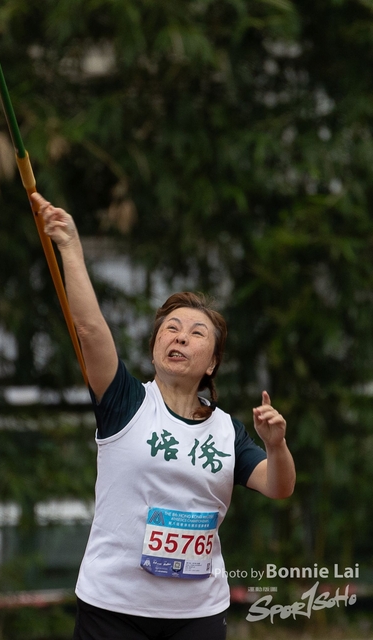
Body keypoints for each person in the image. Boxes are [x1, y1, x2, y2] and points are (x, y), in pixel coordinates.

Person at [31, 192, 296, 640]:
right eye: (170, 328)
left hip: (198, 614)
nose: (180, 337)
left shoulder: (227, 430)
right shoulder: (125, 402)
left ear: (212, 362)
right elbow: (90, 330)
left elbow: (279, 485)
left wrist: (276, 445)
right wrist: (71, 246)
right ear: (155, 346)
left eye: (196, 333)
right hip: (112, 608)